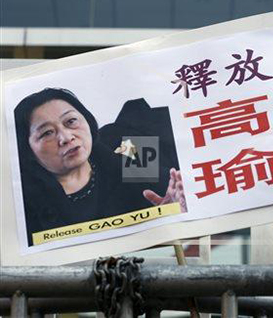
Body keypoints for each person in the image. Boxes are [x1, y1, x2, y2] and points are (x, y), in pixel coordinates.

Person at [14, 88, 185, 246]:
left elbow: (170, 204)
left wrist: (171, 215)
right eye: (47, 133)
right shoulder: (20, 202)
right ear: (26, 149)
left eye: (71, 121)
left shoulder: (127, 144)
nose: (66, 137)